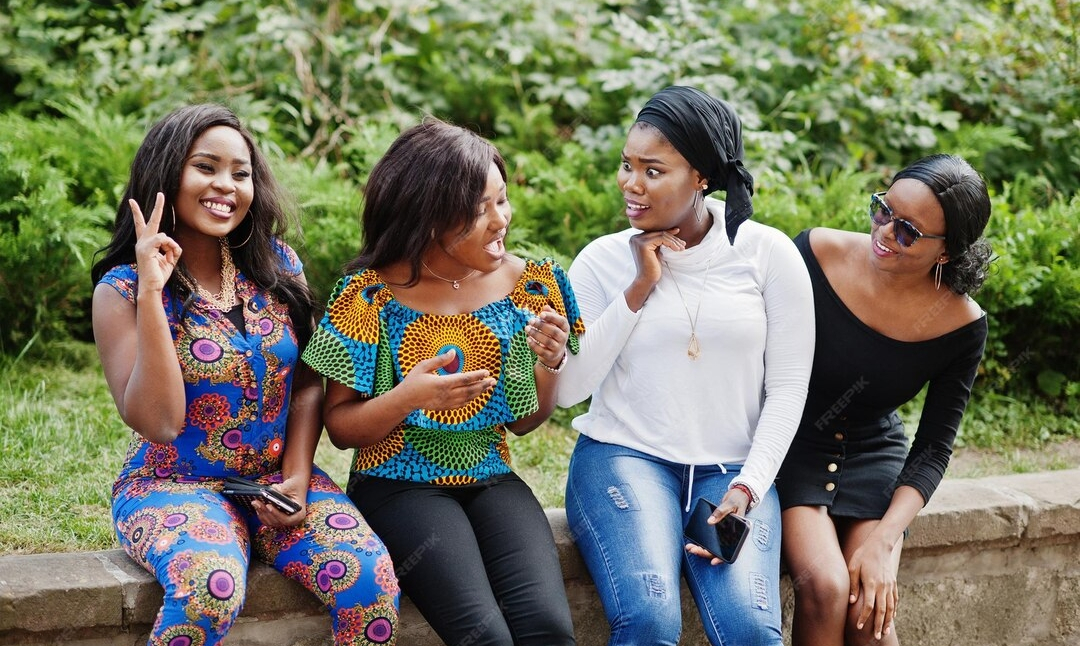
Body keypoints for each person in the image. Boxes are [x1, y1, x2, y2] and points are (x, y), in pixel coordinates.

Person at [90, 104, 399, 646]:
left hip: (274, 481)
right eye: (205, 167)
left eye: (240, 173)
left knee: (370, 581)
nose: (225, 186)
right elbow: (159, 422)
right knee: (210, 587)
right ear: (165, 173)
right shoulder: (121, 290)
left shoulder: (277, 265)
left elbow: (307, 383)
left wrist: (297, 477)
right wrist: (153, 292)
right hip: (172, 485)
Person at [300, 118, 582, 646]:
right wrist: (408, 397)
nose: (501, 220)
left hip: (492, 477)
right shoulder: (369, 296)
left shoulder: (531, 286)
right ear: (428, 216)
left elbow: (525, 423)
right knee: (485, 638)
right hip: (397, 483)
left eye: (502, 200)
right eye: (480, 210)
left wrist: (550, 361)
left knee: (548, 629)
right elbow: (340, 428)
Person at [556, 85, 816, 646]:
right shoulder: (602, 260)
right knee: (649, 619)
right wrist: (638, 288)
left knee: (751, 631)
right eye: (627, 165)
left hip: (732, 471)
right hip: (624, 458)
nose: (631, 183)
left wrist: (749, 487)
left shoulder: (768, 254)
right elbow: (568, 389)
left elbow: (789, 388)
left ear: (701, 177)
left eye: (653, 171)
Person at [775, 154, 992, 646]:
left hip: (874, 455)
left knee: (870, 612)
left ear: (946, 252)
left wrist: (884, 540)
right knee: (827, 587)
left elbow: (933, 447)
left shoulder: (962, 323)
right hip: (792, 441)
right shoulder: (815, 253)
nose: (885, 232)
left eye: (908, 232)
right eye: (883, 209)